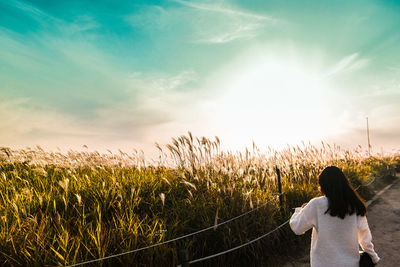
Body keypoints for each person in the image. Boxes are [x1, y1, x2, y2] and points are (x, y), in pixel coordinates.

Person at [289, 166, 380, 267]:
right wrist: (374, 258)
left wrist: (300, 210)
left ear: (323, 186)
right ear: (344, 183)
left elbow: (297, 228)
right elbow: (365, 239)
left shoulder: (316, 204)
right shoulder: (354, 205)